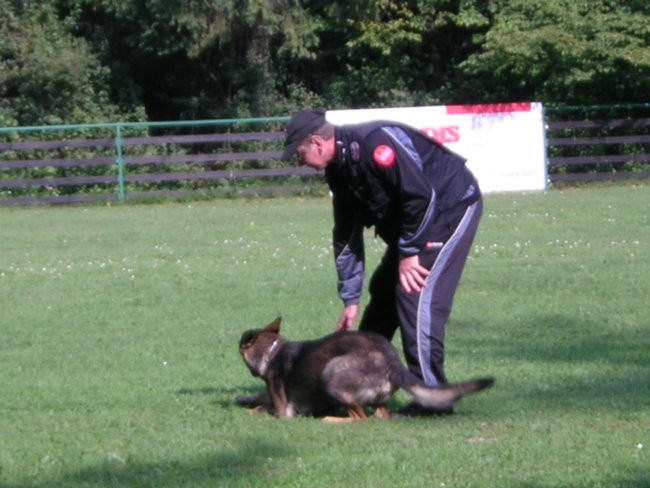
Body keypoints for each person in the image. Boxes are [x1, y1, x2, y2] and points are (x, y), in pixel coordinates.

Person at [281, 108, 483, 414]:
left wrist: (410, 252)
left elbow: (422, 196)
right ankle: (360, 387)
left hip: (449, 208)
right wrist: (350, 298)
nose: (301, 163)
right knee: (383, 294)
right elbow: (346, 233)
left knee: (414, 295)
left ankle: (434, 400)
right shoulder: (339, 170)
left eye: (299, 154)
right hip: (416, 223)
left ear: (316, 142)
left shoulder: (375, 144)